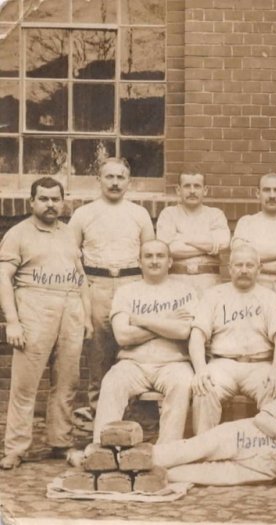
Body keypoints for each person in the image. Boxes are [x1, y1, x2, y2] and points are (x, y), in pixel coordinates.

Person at [0, 178, 91, 469]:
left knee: (67, 381)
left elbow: (80, 277)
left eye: (55, 199)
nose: (50, 204)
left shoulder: (69, 234)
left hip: (70, 306)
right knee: (25, 385)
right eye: (44, 199)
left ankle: (60, 441)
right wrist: (12, 321)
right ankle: (15, 448)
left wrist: (86, 316)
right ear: (32, 202)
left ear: (63, 202)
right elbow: (3, 278)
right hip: (34, 307)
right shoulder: (18, 234)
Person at [149, 362, 276, 487]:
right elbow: (262, 418)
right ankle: (123, 458)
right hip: (245, 436)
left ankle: (127, 477)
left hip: (265, 469)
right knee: (181, 452)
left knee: (176, 475)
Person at [68, 157, 155, 415]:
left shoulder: (139, 214)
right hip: (97, 284)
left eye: (120, 177)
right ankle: (98, 410)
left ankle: (130, 410)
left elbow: (150, 254)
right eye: (109, 177)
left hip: (131, 283)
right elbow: (71, 257)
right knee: (98, 347)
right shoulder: (83, 214)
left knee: (132, 346)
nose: (115, 183)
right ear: (99, 180)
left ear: (129, 182)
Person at [94, 240, 197, 443]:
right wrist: (167, 324)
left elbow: (184, 331)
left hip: (173, 363)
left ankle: (167, 451)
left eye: (160, 256)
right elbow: (123, 336)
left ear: (170, 261)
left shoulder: (186, 291)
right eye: (148, 256)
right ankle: (101, 448)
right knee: (112, 382)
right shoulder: (126, 292)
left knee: (183, 383)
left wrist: (141, 321)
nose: (154, 261)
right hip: (132, 363)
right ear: (139, 262)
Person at [189, 245, 276, 433]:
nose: (243, 270)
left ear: (259, 269)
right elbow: (197, 336)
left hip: (259, 364)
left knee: (274, 388)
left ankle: (265, 456)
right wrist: (200, 370)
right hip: (222, 364)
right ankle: (203, 451)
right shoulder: (213, 295)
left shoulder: (270, 298)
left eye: (249, 265)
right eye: (238, 265)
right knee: (204, 389)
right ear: (230, 268)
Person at [232, 173, 276, 299]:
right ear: (257, 193)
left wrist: (257, 265)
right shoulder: (246, 222)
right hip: (253, 293)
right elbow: (240, 256)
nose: (272, 195)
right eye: (266, 190)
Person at [156, 172, 230, 294]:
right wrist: (210, 246)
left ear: (205, 190)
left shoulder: (216, 214)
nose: (192, 191)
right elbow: (168, 249)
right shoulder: (168, 214)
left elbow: (223, 243)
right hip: (175, 280)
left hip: (209, 281)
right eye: (187, 186)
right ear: (178, 190)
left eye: (197, 186)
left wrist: (182, 238)